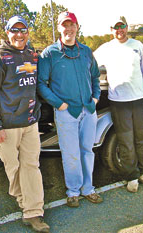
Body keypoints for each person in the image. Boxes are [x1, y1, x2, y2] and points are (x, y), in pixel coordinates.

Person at [0, 16, 50, 232]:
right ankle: (25, 201)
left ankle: (33, 212)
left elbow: (39, 85)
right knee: (14, 169)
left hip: (30, 123)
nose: (19, 35)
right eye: (15, 30)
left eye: (23, 30)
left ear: (27, 32)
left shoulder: (32, 55)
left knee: (31, 166)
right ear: (8, 32)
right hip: (7, 127)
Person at [37, 12, 103, 207]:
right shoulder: (50, 53)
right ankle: (73, 191)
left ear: (77, 27)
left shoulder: (86, 51)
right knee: (71, 153)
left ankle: (88, 189)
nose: (69, 29)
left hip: (88, 110)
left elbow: (95, 76)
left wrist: (96, 97)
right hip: (67, 112)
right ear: (59, 28)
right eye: (64, 25)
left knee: (87, 151)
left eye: (72, 24)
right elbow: (41, 84)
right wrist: (59, 104)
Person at [94, 16, 143, 193]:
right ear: (111, 29)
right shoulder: (105, 49)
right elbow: (89, 65)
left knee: (142, 138)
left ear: (127, 27)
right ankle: (131, 176)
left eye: (122, 26)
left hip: (139, 100)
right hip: (118, 102)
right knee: (126, 140)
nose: (119, 30)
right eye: (116, 27)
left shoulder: (138, 46)